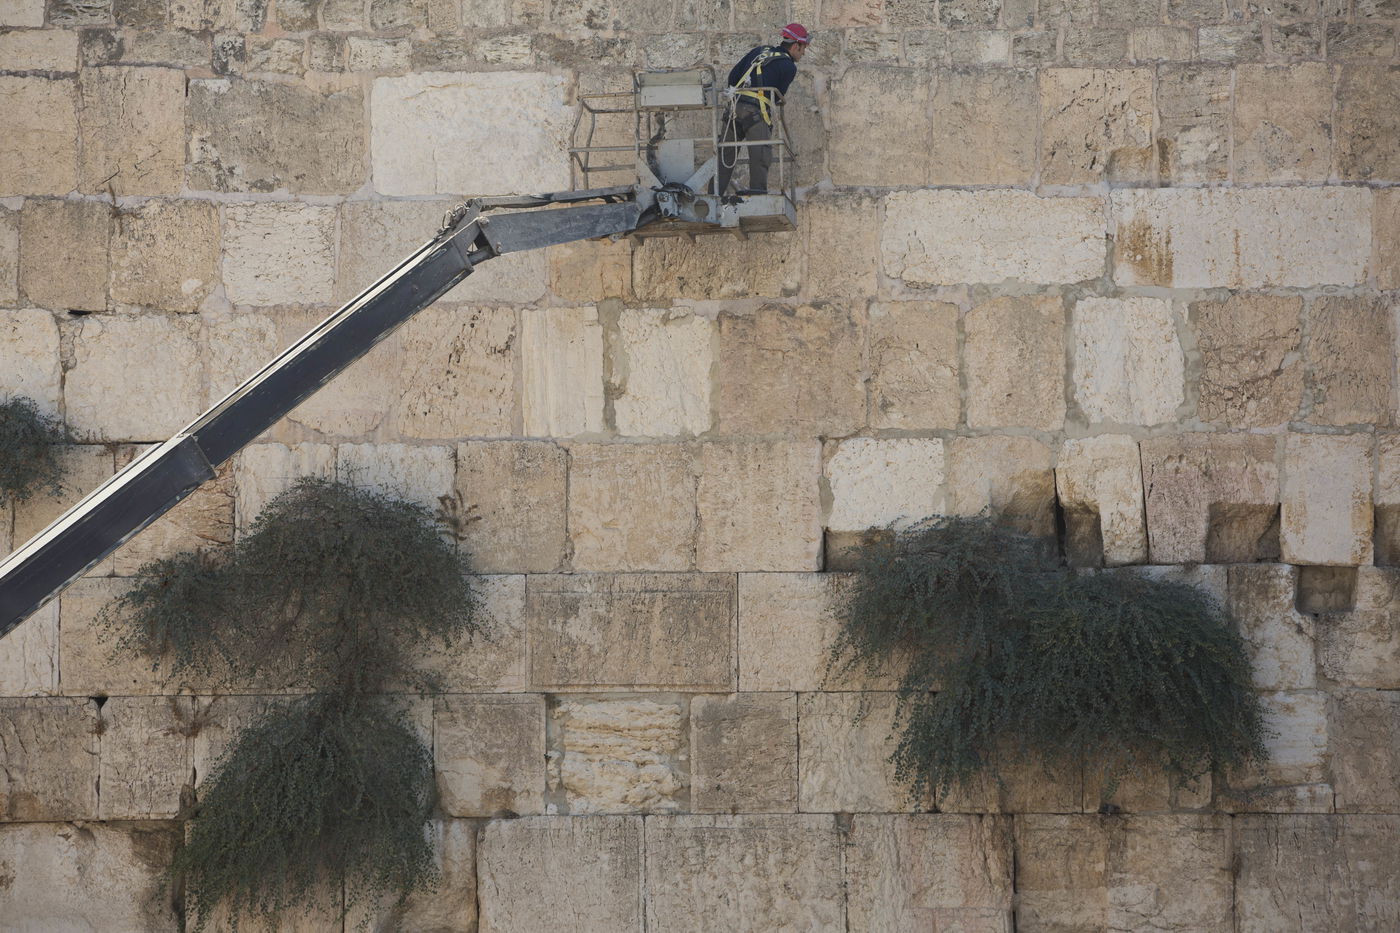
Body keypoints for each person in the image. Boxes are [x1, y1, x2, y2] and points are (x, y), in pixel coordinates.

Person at [715, 23, 810, 197]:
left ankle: (714, 194)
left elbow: (733, 77)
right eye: (804, 48)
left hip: (734, 108)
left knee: (725, 155)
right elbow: (776, 96)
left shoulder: (759, 51)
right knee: (760, 154)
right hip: (755, 112)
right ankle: (757, 195)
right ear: (796, 46)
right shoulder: (789, 66)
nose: (803, 53)